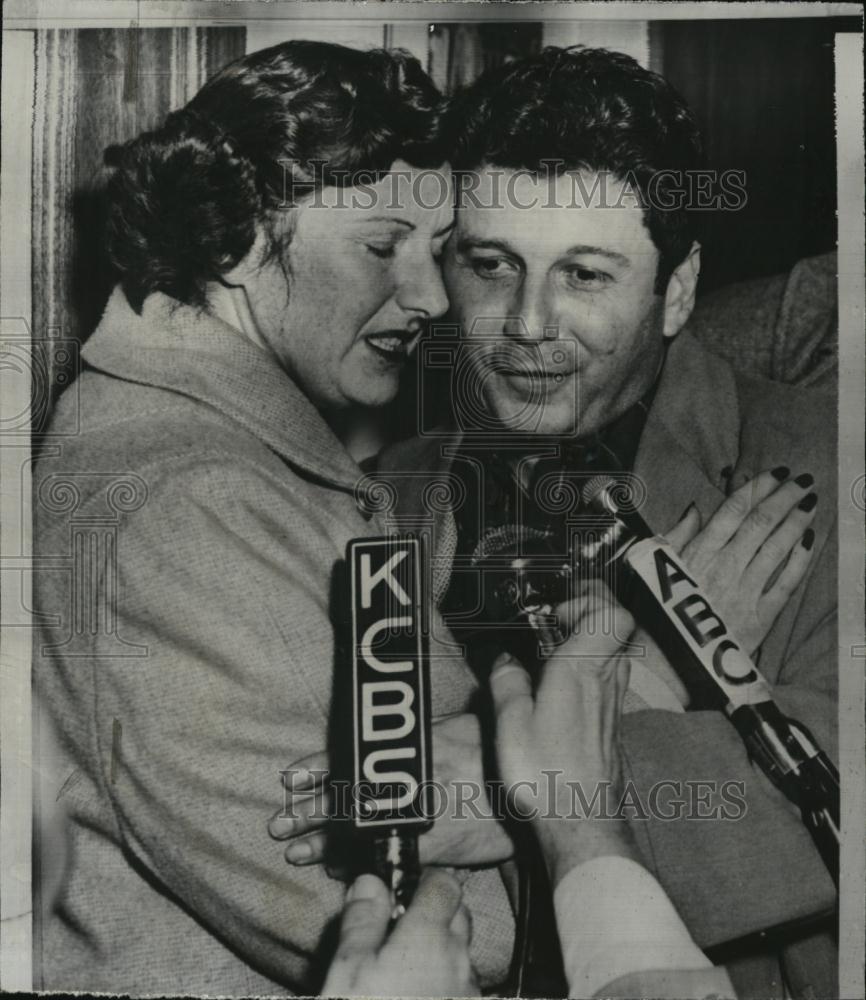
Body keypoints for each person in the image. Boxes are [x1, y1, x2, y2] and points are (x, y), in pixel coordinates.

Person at [277, 46, 838, 999]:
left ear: (678, 290)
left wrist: (519, 791)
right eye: (492, 266)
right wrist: (645, 699)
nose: (527, 324)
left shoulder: (828, 463)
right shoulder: (368, 496)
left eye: (584, 275)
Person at [32, 40, 519, 996]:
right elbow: (423, 930)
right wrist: (544, 783)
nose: (430, 299)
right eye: (382, 247)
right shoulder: (184, 512)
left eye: (436, 251)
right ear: (239, 243)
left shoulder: (217, 455)